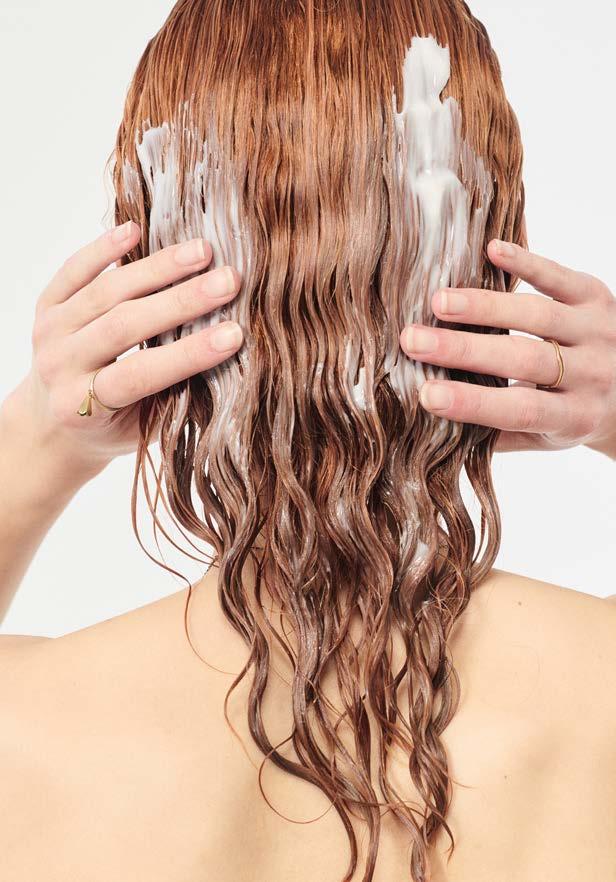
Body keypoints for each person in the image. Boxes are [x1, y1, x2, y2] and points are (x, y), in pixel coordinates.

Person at [1, 1, 615, 880]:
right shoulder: (599, 690)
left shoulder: (29, 733)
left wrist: (42, 431)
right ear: (483, 262)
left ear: (159, 293)